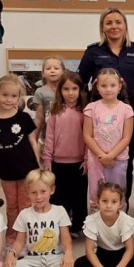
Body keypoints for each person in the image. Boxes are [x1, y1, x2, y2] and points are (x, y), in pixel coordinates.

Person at [77, 8, 134, 205]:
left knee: (125, 162)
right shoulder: (93, 52)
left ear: (125, 25)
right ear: (102, 27)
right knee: (97, 164)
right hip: (99, 118)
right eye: (108, 23)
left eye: (118, 22)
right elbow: (79, 82)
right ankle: (97, 207)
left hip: (128, 115)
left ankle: (121, 207)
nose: (114, 26)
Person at [0, 73, 40, 241]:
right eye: (5, 95)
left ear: (19, 98)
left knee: (26, 205)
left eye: (13, 96)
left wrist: (40, 166)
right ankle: (12, 237)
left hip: (28, 171)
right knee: (12, 207)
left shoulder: (24, 118)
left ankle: (27, 237)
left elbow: (33, 142)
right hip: (6, 174)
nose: (9, 99)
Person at [3, 169, 74, 267]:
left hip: (55, 258)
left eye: (43, 191)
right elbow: (19, 241)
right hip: (31, 258)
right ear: (28, 193)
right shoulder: (24, 214)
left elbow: (66, 239)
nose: (39, 197)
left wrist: (68, 253)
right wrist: (11, 254)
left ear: (52, 190)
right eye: (34, 193)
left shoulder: (60, 211)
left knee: (70, 266)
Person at [74, 182, 134, 267]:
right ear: (98, 202)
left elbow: (130, 250)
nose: (109, 206)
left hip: (121, 255)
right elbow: (89, 251)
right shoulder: (93, 220)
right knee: (78, 264)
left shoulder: (124, 220)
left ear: (120, 204)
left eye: (114, 202)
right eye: (104, 201)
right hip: (102, 255)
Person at [42, 71, 87, 238]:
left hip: (79, 162)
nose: (70, 93)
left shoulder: (85, 111)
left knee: (78, 196)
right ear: (60, 91)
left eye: (74, 88)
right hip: (58, 162)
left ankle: (76, 226)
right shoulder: (55, 111)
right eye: (66, 89)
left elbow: (89, 137)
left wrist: (87, 158)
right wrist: (47, 159)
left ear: (80, 90)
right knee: (60, 197)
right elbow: (49, 136)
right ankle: (61, 225)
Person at [82, 67, 134, 210]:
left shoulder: (126, 109)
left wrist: (110, 156)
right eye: (104, 86)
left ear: (119, 86)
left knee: (117, 193)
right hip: (96, 160)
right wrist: (101, 156)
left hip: (118, 159)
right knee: (96, 194)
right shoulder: (91, 108)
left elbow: (126, 138)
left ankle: (119, 221)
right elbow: (87, 135)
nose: (108, 89)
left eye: (112, 85)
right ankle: (96, 222)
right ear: (97, 87)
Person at [31, 56, 65, 140]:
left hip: (67, 135)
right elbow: (39, 118)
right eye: (48, 68)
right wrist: (34, 140)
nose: (52, 71)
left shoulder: (68, 90)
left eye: (56, 68)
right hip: (48, 137)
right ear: (43, 73)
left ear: (63, 71)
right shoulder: (40, 92)